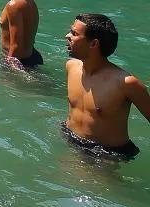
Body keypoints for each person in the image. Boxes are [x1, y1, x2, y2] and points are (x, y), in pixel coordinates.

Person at [63, 14, 150, 160]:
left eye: (74, 33)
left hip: (106, 154)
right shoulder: (71, 67)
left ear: (94, 44)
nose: (67, 36)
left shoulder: (125, 83)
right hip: (70, 137)